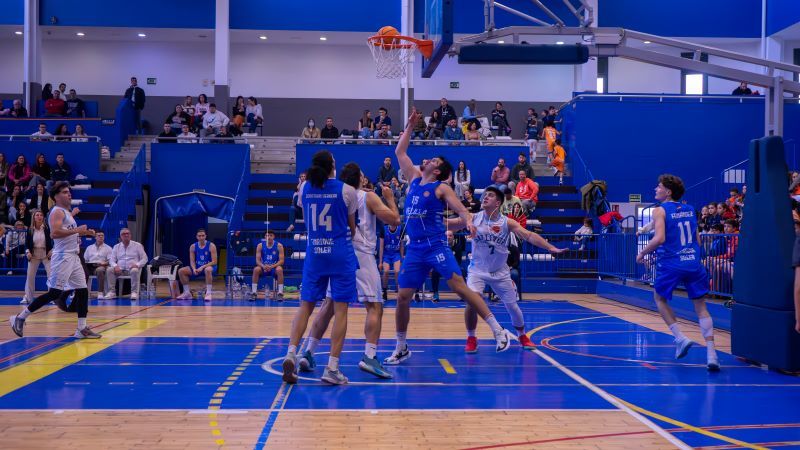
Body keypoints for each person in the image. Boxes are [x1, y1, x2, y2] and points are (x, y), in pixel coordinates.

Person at [384, 110, 517, 366]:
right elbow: (400, 152)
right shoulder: (413, 179)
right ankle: (401, 346)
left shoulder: (441, 187)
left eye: (433, 160)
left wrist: (469, 222)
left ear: (438, 171)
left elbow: (462, 209)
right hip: (415, 250)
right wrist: (410, 126)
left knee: (460, 288)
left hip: (436, 246)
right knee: (402, 297)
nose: (429, 160)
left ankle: (498, 330)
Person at [295, 164, 401, 380]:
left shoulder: (338, 194)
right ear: (360, 180)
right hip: (361, 254)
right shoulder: (367, 196)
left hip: (339, 252)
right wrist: (390, 198)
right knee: (374, 306)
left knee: (329, 306)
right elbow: (394, 220)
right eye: (363, 176)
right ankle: (369, 356)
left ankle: (308, 352)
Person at [449, 186, 566, 352]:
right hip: (477, 270)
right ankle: (471, 337)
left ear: (498, 203)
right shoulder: (473, 218)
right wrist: (432, 219)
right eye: (484, 195)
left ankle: (522, 335)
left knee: (512, 307)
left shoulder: (507, 222)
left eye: (489, 196)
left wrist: (550, 247)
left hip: (501, 272)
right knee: (472, 301)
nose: (485, 198)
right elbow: (452, 224)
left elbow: (529, 235)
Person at [281, 150, 359, 386]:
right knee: (341, 310)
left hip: (314, 252)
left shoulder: (304, 188)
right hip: (339, 254)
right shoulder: (347, 190)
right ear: (333, 166)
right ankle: (332, 368)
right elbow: (352, 228)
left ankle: (291, 353)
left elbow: (305, 217)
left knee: (305, 306)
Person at [636, 174, 719, 371]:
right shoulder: (690, 209)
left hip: (672, 263)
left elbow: (660, 238)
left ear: (668, 191)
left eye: (659, 187)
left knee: (659, 299)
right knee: (701, 307)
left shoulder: (659, 210)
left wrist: (642, 253)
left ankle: (680, 338)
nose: (656, 189)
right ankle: (712, 353)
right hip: (693, 262)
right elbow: (697, 240)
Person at [9, 181, 101, 339]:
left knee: (82, 290)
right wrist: (78, 230)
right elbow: (54, 234)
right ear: (56, 197)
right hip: (63, 257)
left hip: (73, 256)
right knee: (54, 293)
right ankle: (20, 317)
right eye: (65, 192)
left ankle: (81, 328)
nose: (69, 194)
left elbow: (68, 232)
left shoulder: (66, 212)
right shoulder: (57, 211)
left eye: (69, 191)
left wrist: (84, 233)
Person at [105, 228, 148, 300]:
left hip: (131, 269)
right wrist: (115, 266)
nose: (126, 235)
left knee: (134, 270)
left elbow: (145, 259)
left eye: (128, 233)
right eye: (124, 234)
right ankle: (112, 292)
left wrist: (137, 265)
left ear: (130, 235)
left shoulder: (137, 245)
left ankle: (134, 292)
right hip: (120, 270)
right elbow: (111, 260)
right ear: (120, 236)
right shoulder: (116, 247)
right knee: (109, 269)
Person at [176, 229, 218, 302]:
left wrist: (202, 267)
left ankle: (208, 293)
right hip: (198, 267)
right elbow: (192, 261)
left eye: (203, 236)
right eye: (199, 236)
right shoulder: (193, 246)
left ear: (205, 236)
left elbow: (214, 261)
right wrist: (194, 268)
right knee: (181, 271)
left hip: (210, 267)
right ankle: (187, 293)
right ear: (196, 237)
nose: (201, 237)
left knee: (207, 269)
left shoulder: (211, 245)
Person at [21, 209, 52, 305]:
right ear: (34, 217)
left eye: (41, 215)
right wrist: (27, 252)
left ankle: (52, 298)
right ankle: (28, 297)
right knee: (30, 277)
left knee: (51, 276)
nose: (39, 217)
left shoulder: (47, 228)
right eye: (37, 215)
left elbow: (54, 240)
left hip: (46, 254)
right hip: (33, 254)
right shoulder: (30, 229)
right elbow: (26, 244)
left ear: (43, 217)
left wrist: (52, 250)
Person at [250, 230, 285, 301]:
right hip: (264, 267)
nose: (268, 237)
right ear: (264, 237)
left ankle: (280, 293)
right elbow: (257, 260)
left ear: (274, 236)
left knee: (280, 269)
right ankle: (254, 293)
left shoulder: (279, 246)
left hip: (274, 267)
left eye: (270, 235)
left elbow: (281, 261)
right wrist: (263, 266)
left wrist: (272, 266)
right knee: (256, 269)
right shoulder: (260, 245)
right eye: (267, 235)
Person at [83, 230, 112, 299]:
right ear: (95, 237)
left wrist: (104, 263)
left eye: (102, 235)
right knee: (80, 271)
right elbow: (85, 259)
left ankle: (100, 292)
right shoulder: (89, 248)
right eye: (99, 235)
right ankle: (79, 292)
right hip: (90, 266)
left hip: (101, 266)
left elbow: (111, 260)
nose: (101, 237)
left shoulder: (108, 248)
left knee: (100, 270)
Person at [380, 223, 404, 301]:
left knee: (397, 271)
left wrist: (401, 258)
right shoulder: (383, 229)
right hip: (386, 254)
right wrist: (380, 262)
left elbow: (401, 246)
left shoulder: (400, 229)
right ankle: (384, 292)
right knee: (386, 271)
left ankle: (399, 293)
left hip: (396, 254)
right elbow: (381, 247)